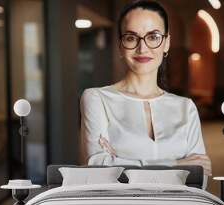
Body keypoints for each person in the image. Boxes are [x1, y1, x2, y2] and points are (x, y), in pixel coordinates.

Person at [80, 0, 212, 189]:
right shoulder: (96, 98)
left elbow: (200, 178)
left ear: (166, 43)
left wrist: (121, 164)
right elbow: (99, 173)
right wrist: (176, 165)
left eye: (153, 36)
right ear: (120, 46)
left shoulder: (186, 107)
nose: (142, 48)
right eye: (131, 37)